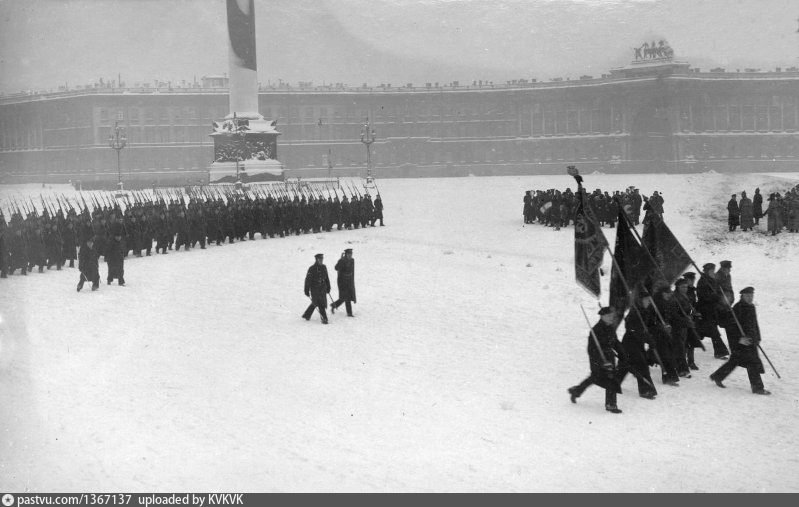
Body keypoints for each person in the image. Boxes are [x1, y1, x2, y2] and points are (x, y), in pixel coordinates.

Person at [710, 287, 771, 395]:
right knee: (752, 362)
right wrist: (739, 339)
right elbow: (730, 327)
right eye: (747, 296)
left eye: (751, 295)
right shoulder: (738, 308)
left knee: (735, 361)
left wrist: (757, 337)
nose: (750, 298)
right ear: (742, 296)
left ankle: (717, 376)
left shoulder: (751, 307)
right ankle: (757, 388)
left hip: (750, 339)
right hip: (740, 342)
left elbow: (754, 324)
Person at [567, 307, 626, 414]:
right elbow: (592, 350)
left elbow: (615, 342)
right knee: (597, 378)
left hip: (609, 358)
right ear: (602, 317)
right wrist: (602, 362)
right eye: (608, 316)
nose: (611, 318)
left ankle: (610, 404)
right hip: (598, 361)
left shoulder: (610, 328)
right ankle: (577, 391)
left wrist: (622, 353)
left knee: (609, 380)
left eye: (611, 316)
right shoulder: (596, 331)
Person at [618, 289, 658, 399]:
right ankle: (646, 391)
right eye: (647, 300)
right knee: (642, 366)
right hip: (630, 343)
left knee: (624, 366)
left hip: (637, 343)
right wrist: (647, 339)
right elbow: (631, 329)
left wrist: (650, 338)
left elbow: (647, 328)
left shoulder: (645, 312)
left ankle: (614, 384)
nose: (649, 301)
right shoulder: (635, 312)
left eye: (649, 299)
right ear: (641, 301)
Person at [695, 263, 731, 359]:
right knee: (713, 332)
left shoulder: (713, 281)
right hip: (704, 310)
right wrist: (714, 297)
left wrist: (720, 297)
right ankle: (720, 352)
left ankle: (690, 342)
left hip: (712, 310)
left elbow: (718, 292)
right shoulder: (702, 282)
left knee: (704, 332)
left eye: (713, 271)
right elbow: (702, 296)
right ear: (706, 271)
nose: (713, 272)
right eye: (711, 271)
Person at [302, 253, 331, 324]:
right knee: (320, 303)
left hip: (323, 288)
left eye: (322, 259)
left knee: (317, 302)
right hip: (315, 288)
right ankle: (324, 318)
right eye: (320, 259)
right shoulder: (312, 269)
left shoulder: (324, 267)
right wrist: (306, 290)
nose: (321, 260)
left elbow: (327, 278)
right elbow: (307, 280)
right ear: (316, 259)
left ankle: (306, 315)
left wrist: (328, 286)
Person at [331, 248, 356, 317]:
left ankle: (334, 305)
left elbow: (352, 271)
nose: (350, 255)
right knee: (346, 297)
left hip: (349, 281)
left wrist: (352, 281)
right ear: (346, 254)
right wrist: (340, 262)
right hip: (342, 281)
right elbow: (336, 268)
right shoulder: (342, 260)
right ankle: (349, 313)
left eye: (351, 254)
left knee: (344, 297)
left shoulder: (352, 260)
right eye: (349, 254)